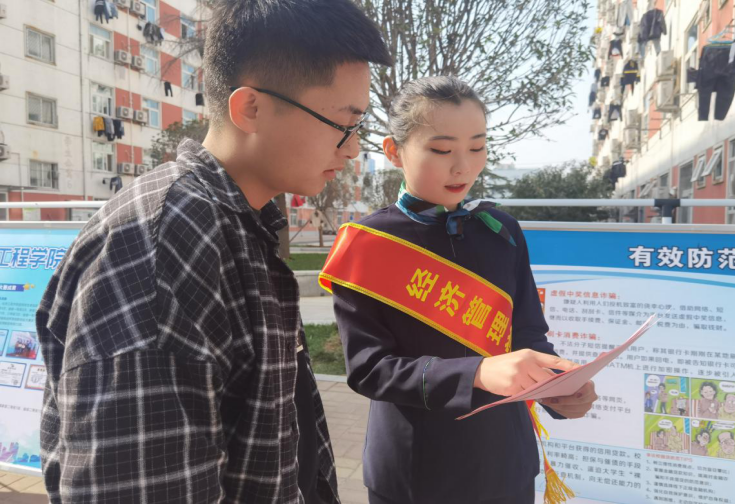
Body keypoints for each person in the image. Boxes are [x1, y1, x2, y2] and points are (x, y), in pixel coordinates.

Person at [35, 1, 392, 503]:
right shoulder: (165, 246)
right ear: (251, 108)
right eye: (343, 123)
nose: (353, 148)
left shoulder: (236, 223)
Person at [319, 76, 598, 504]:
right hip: (416, 469)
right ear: (393, 151)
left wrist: (557, 387)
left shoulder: (502, 231)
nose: (463, 167)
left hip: (504, 460)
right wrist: (477, 373)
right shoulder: (368, 244)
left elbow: (526, 333)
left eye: (478, 147)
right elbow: (369, 368)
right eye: (442, 150)